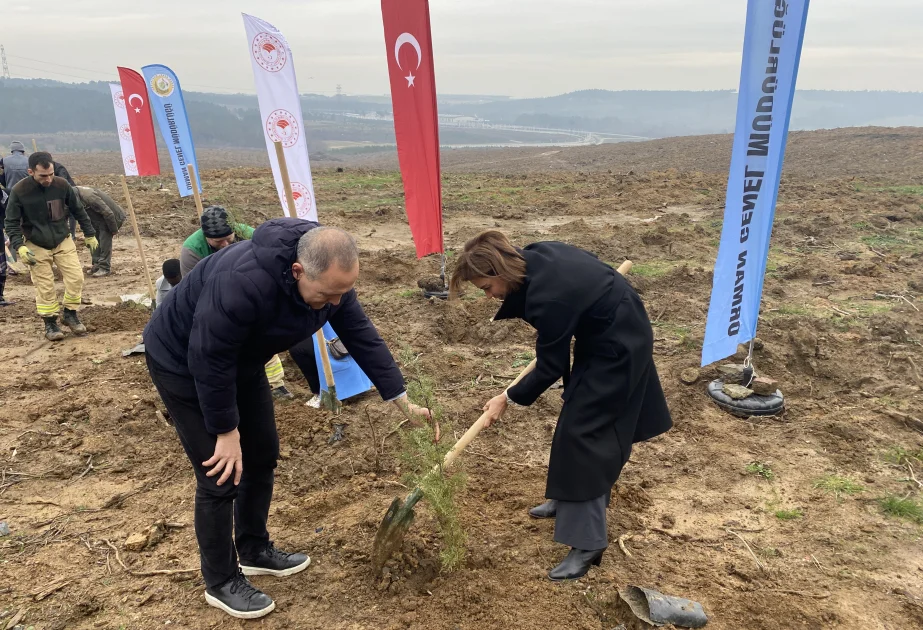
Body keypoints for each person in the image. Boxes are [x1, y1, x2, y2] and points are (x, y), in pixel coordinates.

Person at [143, 218, 433, 619]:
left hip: (243, 362)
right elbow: (209, 358)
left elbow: (361, 334)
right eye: (327, 295)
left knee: (262, 454)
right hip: (183, 362)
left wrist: (401, 399)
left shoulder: (331, 283)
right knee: (219, 473)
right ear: (298, 271)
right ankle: (221, 581)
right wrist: (225, 431)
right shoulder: (242, 283)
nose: (335, 303)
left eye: (342, 293)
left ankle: (254, 549)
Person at [450, 231, 673, 582]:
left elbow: (551, 367)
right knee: (574, 412)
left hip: (619, 344)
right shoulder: (536, 254)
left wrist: (507, 398)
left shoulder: (548, 298)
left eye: (486, 288)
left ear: (500, 271)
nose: (490, 297)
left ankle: (588, 542)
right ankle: (566, 498)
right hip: (602, 329)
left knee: (584, 433)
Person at [180, 205, 295, 400]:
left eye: (229, 238)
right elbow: (193, 291)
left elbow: (271, 268)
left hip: (252, 291)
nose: (225, 244)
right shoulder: (192, 251)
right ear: (206, 236)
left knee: (260, 338)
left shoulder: (250, 235)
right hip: (214, 299)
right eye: (218, 241)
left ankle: (276, 385)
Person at [4, 152, 98, 340]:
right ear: (31, 172)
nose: (48, 179)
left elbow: (78, 210)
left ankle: (70, 314)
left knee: (76, 278)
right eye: (43, 176)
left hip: (62, 239)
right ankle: (51, 324)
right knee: (45, 285)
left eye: (51, 174)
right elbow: (11, 222)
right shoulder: (19, 191)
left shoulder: (61, 185)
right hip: (35, 243)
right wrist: (19, 246)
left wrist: (89, 233)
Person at [74, 186, 126, 277]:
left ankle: (104, 268)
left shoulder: (89, 197)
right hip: (96, 219)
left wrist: (113, 229)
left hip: (111, 218)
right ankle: (97, 265)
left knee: (104, 242)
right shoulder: (71, 196)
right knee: (93, 241)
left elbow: (108, 213)